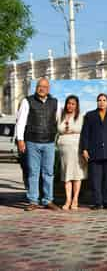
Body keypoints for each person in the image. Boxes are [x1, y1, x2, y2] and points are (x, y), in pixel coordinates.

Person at [15, 77, 61, 211]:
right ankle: (33, 201)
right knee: (33, 172)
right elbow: (21, 121)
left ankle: (48, 200)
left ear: (48, 89)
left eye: (45, 87)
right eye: (40, 86)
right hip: (32, 142)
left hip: (49, 142)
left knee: (48, 173)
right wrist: (20, 140)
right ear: (36, 88)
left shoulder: (55, 102)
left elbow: (57, 121)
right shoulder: (27, 101)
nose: (42, 89)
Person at [80, 93, 107, 210]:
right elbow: (85, 134)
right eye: (99, 100)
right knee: (95, 179)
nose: (101, 102)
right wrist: (85, 149)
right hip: (94, 151)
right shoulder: (90, 115)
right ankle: (97, 202)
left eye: (104, 100)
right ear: (97, 102)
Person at [57, 95, 86, 210]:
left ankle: (75, 199)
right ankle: (68, 199)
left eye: (73, 104)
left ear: (77, 105)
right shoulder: (61, 116)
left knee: (76, 174)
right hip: (64, 150)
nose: (70, 105)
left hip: (76, 149)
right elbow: (58, 130)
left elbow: (83, 133)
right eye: (69, 103)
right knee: (67, 175)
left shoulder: (80, 117)